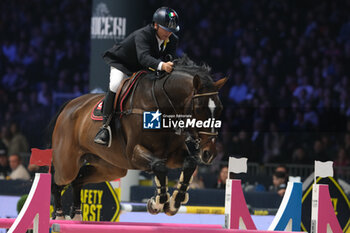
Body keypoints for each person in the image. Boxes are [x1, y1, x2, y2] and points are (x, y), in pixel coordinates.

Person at [94, 7, 180, 146]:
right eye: (165, 29)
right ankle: (105, 127)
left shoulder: (172, 39)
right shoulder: (143, 35)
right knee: (115, 84)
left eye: (171, 30)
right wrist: (163, 66)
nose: (168, 33)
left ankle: (155, 128)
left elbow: (169, 57)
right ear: (156, 25)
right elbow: (144, 58)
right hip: (123, 63)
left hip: (144, 67)